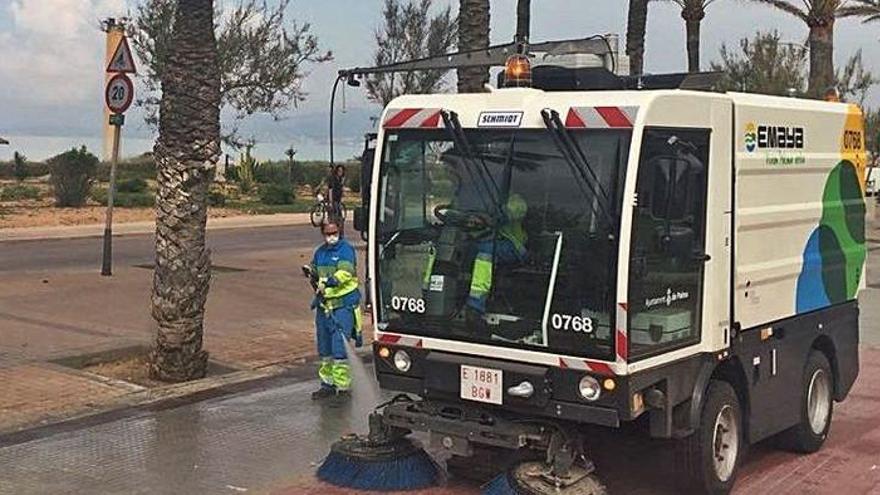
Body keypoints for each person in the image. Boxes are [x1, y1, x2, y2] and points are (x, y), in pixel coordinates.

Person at [308, 221, 362, 400]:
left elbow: (345, 273)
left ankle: (343, 388)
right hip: (324, 307)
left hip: (342, 307)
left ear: (339, 232)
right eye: (328, 233)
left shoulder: (345, 250)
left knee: (339, 349)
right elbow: (314, 270)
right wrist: (311, 274)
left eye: (334, 233)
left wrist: (330, 281)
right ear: (323, 234)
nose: (331, 236)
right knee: (325, 349)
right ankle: (327, 384)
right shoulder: (320, 252)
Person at [467, 193, 529, 314]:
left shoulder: (513, 197)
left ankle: (475, 306)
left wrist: (500, 214)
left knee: (485, 252)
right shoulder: (480, 189)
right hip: (484, 239)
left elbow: (516, 211)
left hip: (512, 245)